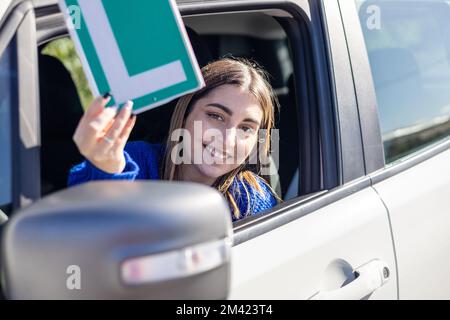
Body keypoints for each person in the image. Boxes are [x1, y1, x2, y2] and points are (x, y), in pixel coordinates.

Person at [68, 58, 281, 221]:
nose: (227, 139)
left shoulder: (251, 199)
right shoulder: (134, 162)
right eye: (215, 116)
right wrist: (105, 171)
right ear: (185, 113)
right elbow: (84, 224)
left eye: (246, 128)